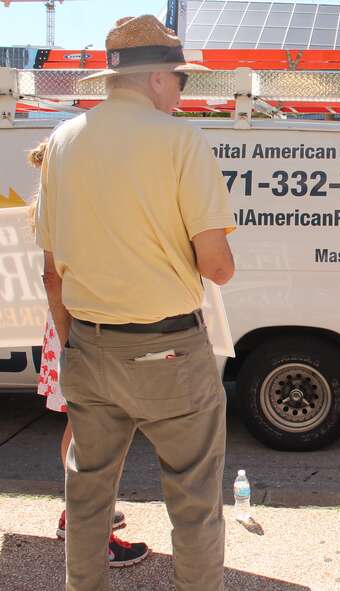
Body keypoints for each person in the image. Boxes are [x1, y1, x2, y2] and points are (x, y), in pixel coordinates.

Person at [35, 15, 236, 590]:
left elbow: (51, 272)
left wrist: (73, 341)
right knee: (194, 499)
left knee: (89, 491)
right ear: (156, 80)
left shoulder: (62, 143)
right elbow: (216, 265)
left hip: (90, 345)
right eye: (181, 80)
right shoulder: (180, 141)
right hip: (169, 347)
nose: (181, 91)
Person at [27, 140, 141, 562]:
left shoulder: (55, 203)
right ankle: (89, 529)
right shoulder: (67, 207)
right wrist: (71, 339)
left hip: (71, 326)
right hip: (81, 327)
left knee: (86, 426)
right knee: (96, 432)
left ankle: (85, 515)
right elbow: (53, 277)